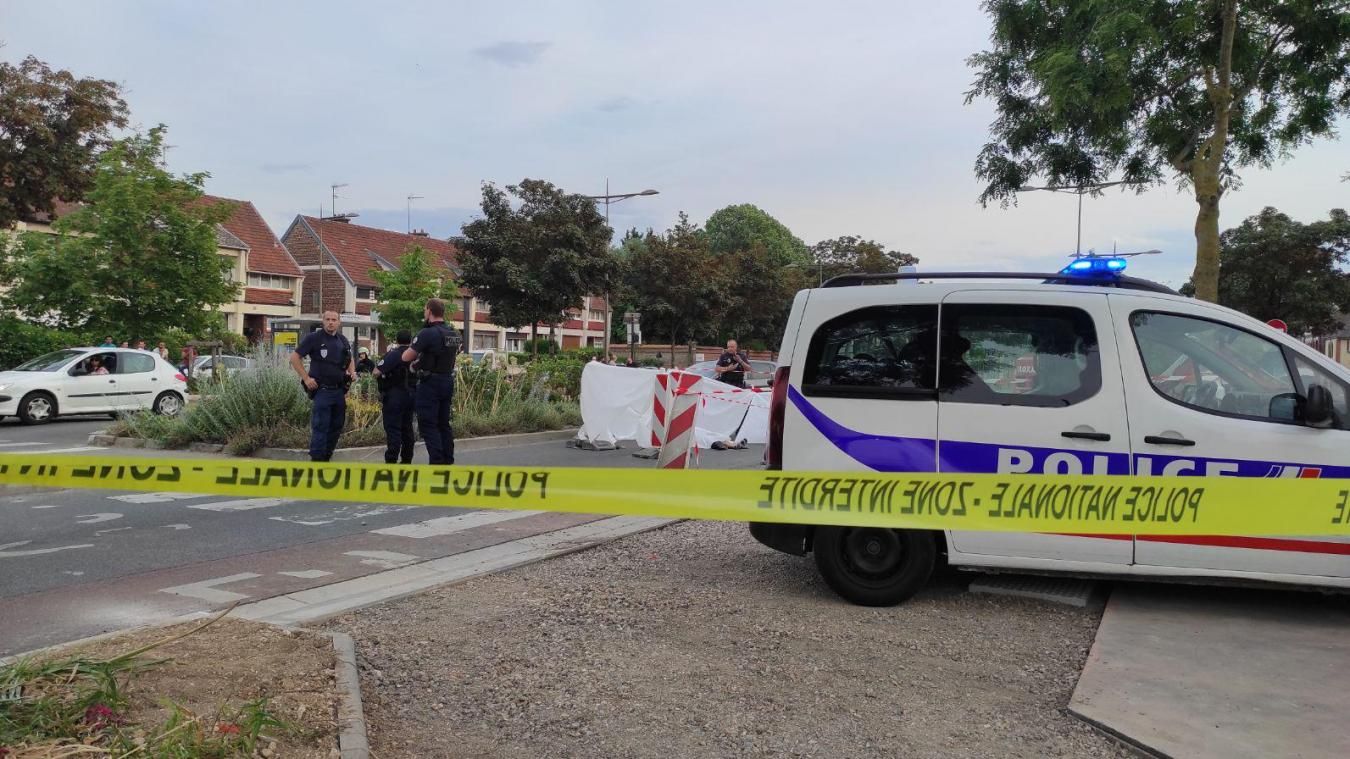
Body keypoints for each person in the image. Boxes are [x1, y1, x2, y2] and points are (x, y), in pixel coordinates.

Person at [290, 311, 357, 462]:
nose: (330, 322)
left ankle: (327, 456)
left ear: (339, 322)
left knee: (337, 426)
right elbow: (294, 357)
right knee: (321, 426)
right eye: (327, 319)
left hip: (339, 391)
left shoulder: (342, 340)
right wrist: (306, 378)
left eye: (334, 320)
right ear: (323, 321)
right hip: (322, 390)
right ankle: (317, 460)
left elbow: (350, 358)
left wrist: (352, 373)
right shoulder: (314, 338)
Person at [403, 297, 462, 465]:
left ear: (429, 311)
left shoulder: (427, 333)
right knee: (444, 423)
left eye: (424, 309)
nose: (424, 312)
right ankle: (447, 461)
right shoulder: (453, 333)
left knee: (429, 425)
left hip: (430, 383)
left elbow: (406, 356)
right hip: (447, 380)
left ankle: (436, 462)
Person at [375, 329, 417, 464]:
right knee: (407, 428)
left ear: (397, 341)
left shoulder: (394, 354)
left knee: (393, 429)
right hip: (411, 395)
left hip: (395, 395)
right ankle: (407, 460)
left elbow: (376, 372)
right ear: (410, 340)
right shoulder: (416, 355)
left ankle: (391, 460)